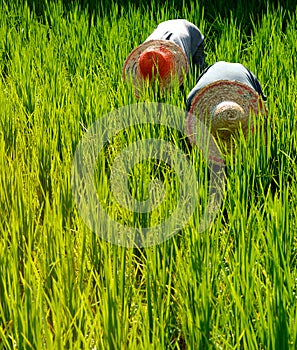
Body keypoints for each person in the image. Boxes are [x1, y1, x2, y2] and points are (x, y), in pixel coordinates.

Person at [186, 61, 268, 153]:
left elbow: (263, 106)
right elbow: (190, 127)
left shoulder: (249, 92)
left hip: (239, 71)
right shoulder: (195, 97)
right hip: (222, 68)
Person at [122, 19, 205, 96]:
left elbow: (183, 75)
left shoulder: (179, 57)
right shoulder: (145, 54)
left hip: (191, 33)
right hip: (164, 27)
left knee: (194, 79)